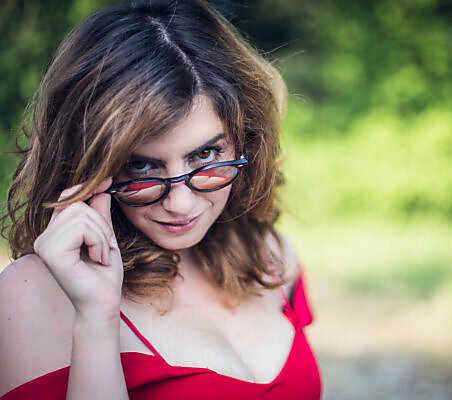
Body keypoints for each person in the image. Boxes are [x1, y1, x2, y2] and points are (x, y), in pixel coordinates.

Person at [0, 0, 321, 399]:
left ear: (245, 138)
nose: (181, 205)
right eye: (139, 166)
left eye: (205, 155)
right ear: (88, 165)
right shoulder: (31, 295)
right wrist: (97, 321)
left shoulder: (271, 257)